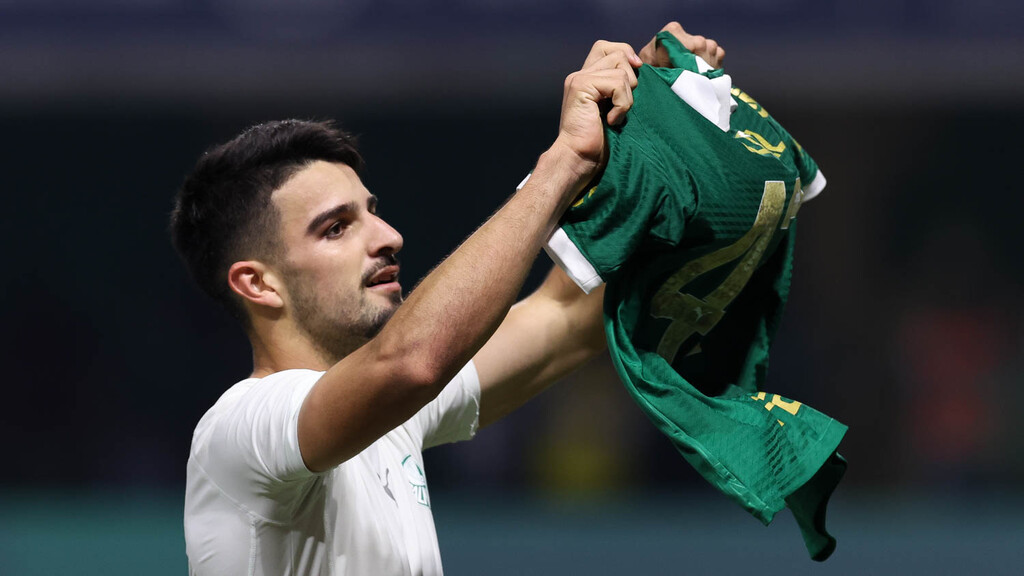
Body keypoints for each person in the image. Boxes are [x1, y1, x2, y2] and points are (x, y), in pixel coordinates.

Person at [172, 23, 724, 576]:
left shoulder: (392, 420)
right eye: (336, 228)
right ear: (257, 284)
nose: (388, 235)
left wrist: (656, 120)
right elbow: (411, 362)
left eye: (370, 210)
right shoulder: (240, 429)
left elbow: (567, 316)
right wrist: (565, 161)